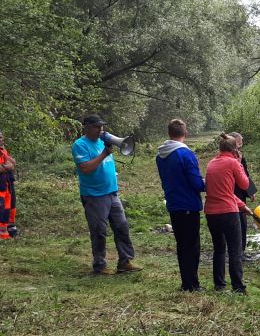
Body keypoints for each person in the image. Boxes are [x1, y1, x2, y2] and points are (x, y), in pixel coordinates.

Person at [73, 114, 139, 275]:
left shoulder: (102, 140)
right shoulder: (80, 145)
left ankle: (125, 261)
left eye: (101, 126)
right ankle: (100, 265)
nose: (100, 129)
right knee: (99, 230)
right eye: (96, 126)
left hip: (111, 193)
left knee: (121, 226)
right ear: (87, 127)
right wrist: (104, 154)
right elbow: (86, 168)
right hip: (94, 195)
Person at [155, 117, 206, 291]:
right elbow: (197, 183)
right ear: (185, 133)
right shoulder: (185, 154)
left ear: (169, 133)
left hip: (173, 203)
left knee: (182, 244)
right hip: (188, 204)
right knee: (192, 245)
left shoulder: (160, 155)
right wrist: (211, 183)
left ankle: (186, 282)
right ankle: (192, 284)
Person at [204, 133, 251, 292]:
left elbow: (221, 191)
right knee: (235, 249)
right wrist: (240, 164)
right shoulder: (232, 162)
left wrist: (242, 206)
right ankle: (238, 286)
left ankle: (219, 284)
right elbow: (244, 184)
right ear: (234, 150)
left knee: (219, 248)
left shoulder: (211, 163)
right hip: (228, 212)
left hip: (211, 211)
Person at [227, 132, 256, 260]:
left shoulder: (240, 156)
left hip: (241, 192)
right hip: (232, 192)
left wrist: (250, 191)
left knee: (242, 223)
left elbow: (245, 173)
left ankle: (241, 251)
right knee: (237, 222)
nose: (241, 144)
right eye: (239, 142)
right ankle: (235, 252)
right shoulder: (229, 158)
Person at [0, 131, 17, 239]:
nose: (1, 139)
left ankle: (6, 231)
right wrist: (7, 167)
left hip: (6, 183)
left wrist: (6, 166)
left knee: (7, 207)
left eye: (1, 137)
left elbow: (13, 163)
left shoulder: (3, 150)